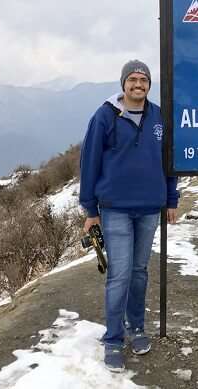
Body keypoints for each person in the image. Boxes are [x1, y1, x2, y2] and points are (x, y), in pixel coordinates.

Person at [79, 59, 178, 372]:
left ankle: (137, 328)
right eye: (133, 80)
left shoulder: (159, 116)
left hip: (150, 207)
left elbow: (170, 161)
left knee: (139, 272)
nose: (138, 85)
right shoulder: (105, 116)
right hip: (115, 209)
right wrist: (90, 209)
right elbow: (89, 162)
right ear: (123, 84)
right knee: (120, 274)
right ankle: (113, 338)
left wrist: (171, 197)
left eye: (143, 80)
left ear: (149, 84)